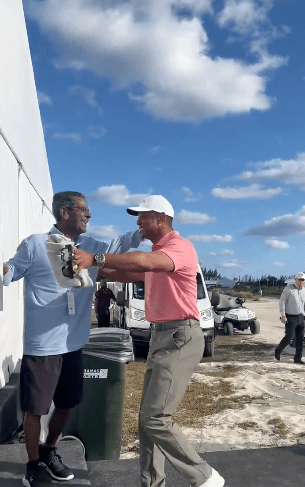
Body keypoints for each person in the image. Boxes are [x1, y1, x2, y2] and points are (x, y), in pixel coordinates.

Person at [74, 195, 225, 487]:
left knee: (156, 418)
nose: (138, 222)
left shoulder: (177, 248)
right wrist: (89, 266)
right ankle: (152, 483)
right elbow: (126, 272)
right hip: (163, 335)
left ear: (161, 218)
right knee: (147, 422)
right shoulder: (159, 252)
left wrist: (96, 258)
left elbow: (143, 261)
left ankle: (205, 478)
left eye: (143, 216)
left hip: (180, 335)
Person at [3, 191, 142, 487]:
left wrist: (144, 227)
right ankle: (32, 465)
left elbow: (120, 245)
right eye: (84, 210)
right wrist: (5, 270)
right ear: (65, 213)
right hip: (42, 346)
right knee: (35, 409)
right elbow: (12, 269)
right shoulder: (35, 245)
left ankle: (49, 450)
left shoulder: (91, 247)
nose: (89, 215)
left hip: (74, 344)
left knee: (67, 404)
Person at [275, 272, 305, 364]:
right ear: (296, 280)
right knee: (289, 336)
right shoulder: (288, 289)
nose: (301, 282)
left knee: (300, 339)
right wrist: (283, 315)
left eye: (303, 280)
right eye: (300, 280)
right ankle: (278, 350)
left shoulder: (304, 290)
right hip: (291, 317)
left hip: (301, 317)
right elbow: (282, 302)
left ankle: (298, 359)